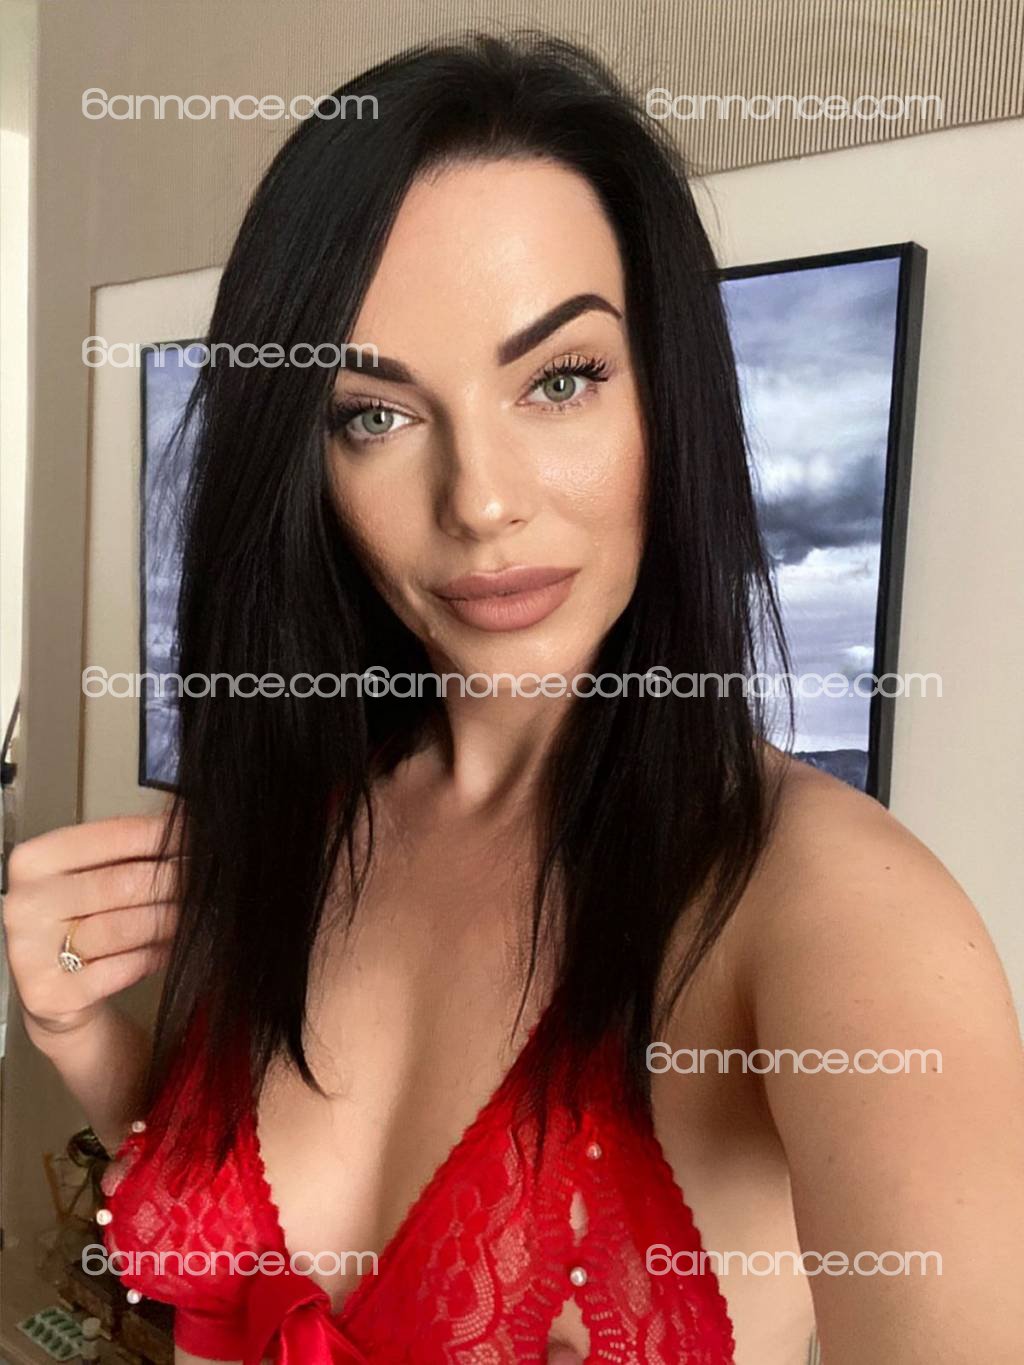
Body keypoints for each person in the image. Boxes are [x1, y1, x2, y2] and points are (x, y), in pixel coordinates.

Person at [5, 32, 1022, 1365]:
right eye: (373, 413)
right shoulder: (302, 818)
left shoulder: (836, 919)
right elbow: (239, 1260)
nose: (481, 502)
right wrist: (82, 1035)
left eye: (560, 379)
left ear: (669, 398)